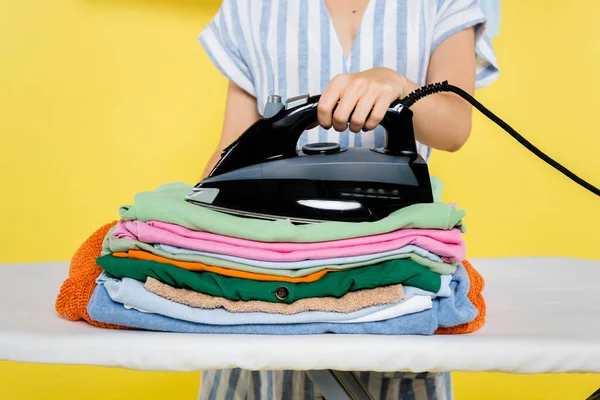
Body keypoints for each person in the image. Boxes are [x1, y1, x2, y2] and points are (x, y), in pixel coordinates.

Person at [197, 0, 499, 398]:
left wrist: (398, 85)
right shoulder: (251, 7)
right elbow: (232, 143)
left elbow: (454, 127)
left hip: (394, 285)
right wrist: (188, 238)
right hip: (265, 298)